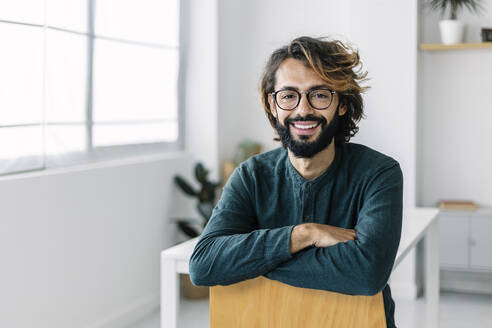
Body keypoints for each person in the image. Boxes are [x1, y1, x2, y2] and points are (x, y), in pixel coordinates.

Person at [189, 36, 403, 328]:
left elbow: (367, 273)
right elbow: (204, 265)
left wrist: (253, 260)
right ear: (272, 104)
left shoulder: (380, 173)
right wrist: (303, 235)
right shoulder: (251, 175)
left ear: (340, 103)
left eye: (319, 94)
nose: (303, 110)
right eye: (289, 95)